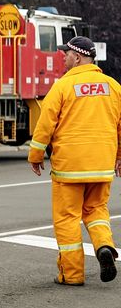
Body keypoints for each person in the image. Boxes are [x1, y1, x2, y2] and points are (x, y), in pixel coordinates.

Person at [28, 36, 120, 286]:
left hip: (70, 168)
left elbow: (45, 124)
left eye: (66, 53)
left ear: (78, 57)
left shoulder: (62, 87)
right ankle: (103, 246)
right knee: (97, 211)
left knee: (68, 218)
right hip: (101, 166)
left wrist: (35, 155)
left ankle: (72, 274)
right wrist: (119, 156)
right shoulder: (113, 86)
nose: (63, 57)